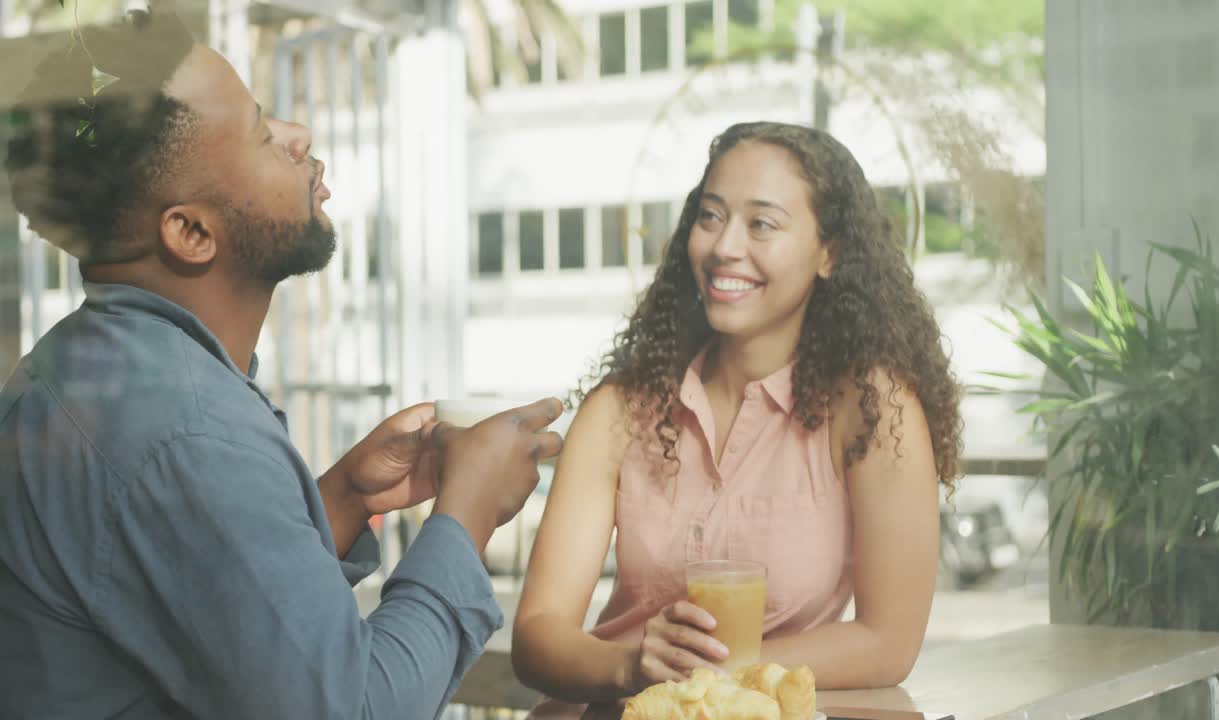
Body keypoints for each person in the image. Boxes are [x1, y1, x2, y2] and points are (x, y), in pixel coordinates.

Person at [0, 6, 562, 718]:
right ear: (192, 231)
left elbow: (192, 595)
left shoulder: (89, 368)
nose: (299, 139)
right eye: (263, 134)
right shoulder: (188, 429)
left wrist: (344, 499)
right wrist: (465, 517)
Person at [510, 122, 963, 712]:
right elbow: (537, 635)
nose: (725, 246)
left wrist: (712, 673)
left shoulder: (872, 409)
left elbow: (888, 642)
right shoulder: (619, 410)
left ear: (830, 253)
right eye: (711, 216)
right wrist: (629, 663)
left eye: (762, 224)